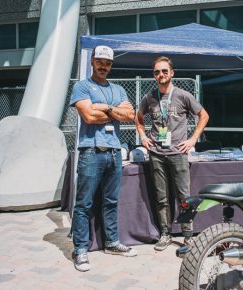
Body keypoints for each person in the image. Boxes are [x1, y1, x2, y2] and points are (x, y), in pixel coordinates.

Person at [70, 45, 137, 272]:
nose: (103, 66)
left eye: (107, 63)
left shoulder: (117, 89)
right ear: (92, 62)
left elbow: (129, 115)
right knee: (84, 204)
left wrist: (106, 107)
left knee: (111, 202)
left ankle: (111, 242)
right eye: (100, 61)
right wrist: (114, 111)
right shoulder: (82, 86)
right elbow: (89, 116)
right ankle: (79, 250)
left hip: (114, 152)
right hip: (91, 150)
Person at [136, 56, 209, 251]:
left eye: (164, 71)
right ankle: (165, 234)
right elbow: (139, 118)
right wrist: (143, 136)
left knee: (184, 196)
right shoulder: (149, 97)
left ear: (172, 73)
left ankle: (188, 236)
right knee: (162, 197)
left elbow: (204, 115)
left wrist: (193, 139)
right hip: (156, 153)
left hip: (178, 152)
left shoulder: (183, 95)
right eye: (157, 72)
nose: (160, 75)